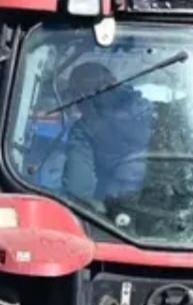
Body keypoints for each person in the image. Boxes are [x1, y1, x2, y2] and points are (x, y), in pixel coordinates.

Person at [60, 61, 156, 206]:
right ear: (116, 84)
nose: (75, 104)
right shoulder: (158, 112)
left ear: (84, 96)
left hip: (113, 216)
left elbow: (78, 194)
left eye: (75, 96)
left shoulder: (84, 130)